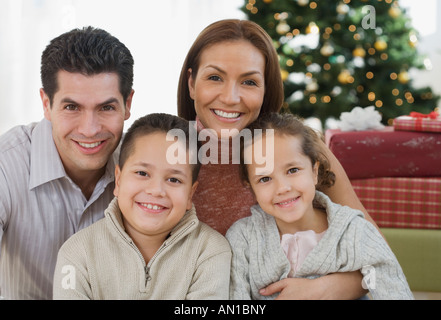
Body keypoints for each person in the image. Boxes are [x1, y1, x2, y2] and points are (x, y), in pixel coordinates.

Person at [177, 19, 382, 299]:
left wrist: (325, 288)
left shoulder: (302, 150)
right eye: (215, 77)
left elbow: (377, 255)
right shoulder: (164, 152)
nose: (230, 97)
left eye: (249, 81)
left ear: (265, 90)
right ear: (191, 83)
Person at [0, 26, 134, 300]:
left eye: (106, 107)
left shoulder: (141, 164)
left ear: (128, 104)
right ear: (46, 104)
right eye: (71, 107)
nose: (89, 129)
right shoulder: (6, 164)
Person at [226, 112, 413, 300]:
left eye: (293, 170)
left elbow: (390, 283)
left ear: (314, 172)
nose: (283, 188)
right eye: (265, 178)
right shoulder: (243, 238)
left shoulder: (353, 230)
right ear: (250, 187)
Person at [52, 113, 231, 299]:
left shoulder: (210, 252)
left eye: (173, 179)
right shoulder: (77, 253)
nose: (156, 190)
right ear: (119, 180)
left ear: (190, 195)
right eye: (142, 173)